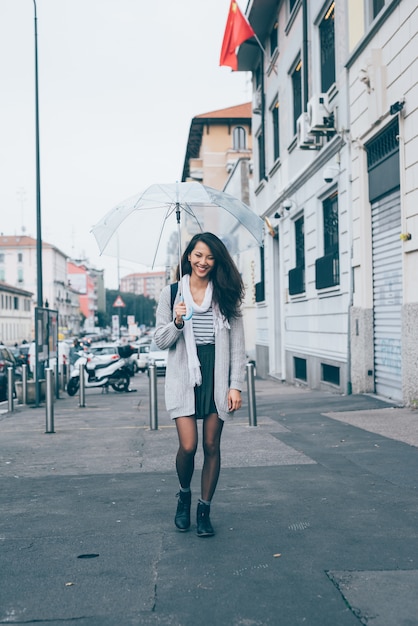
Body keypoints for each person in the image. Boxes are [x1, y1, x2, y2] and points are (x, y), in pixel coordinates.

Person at [154, 232, 246, 537]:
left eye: (209, 256)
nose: (203, 262)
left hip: (216, 373)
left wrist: (236, 385)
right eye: (197, 255)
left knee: (211, 446)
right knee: (189, 446)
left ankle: (204, 509)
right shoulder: (171, 294)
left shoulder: (225, 293)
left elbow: (237, 344)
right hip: (184, 373)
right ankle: (184, 493)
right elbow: (160, 341)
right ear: (188, 257)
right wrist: (177, 322)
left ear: (215, 259)